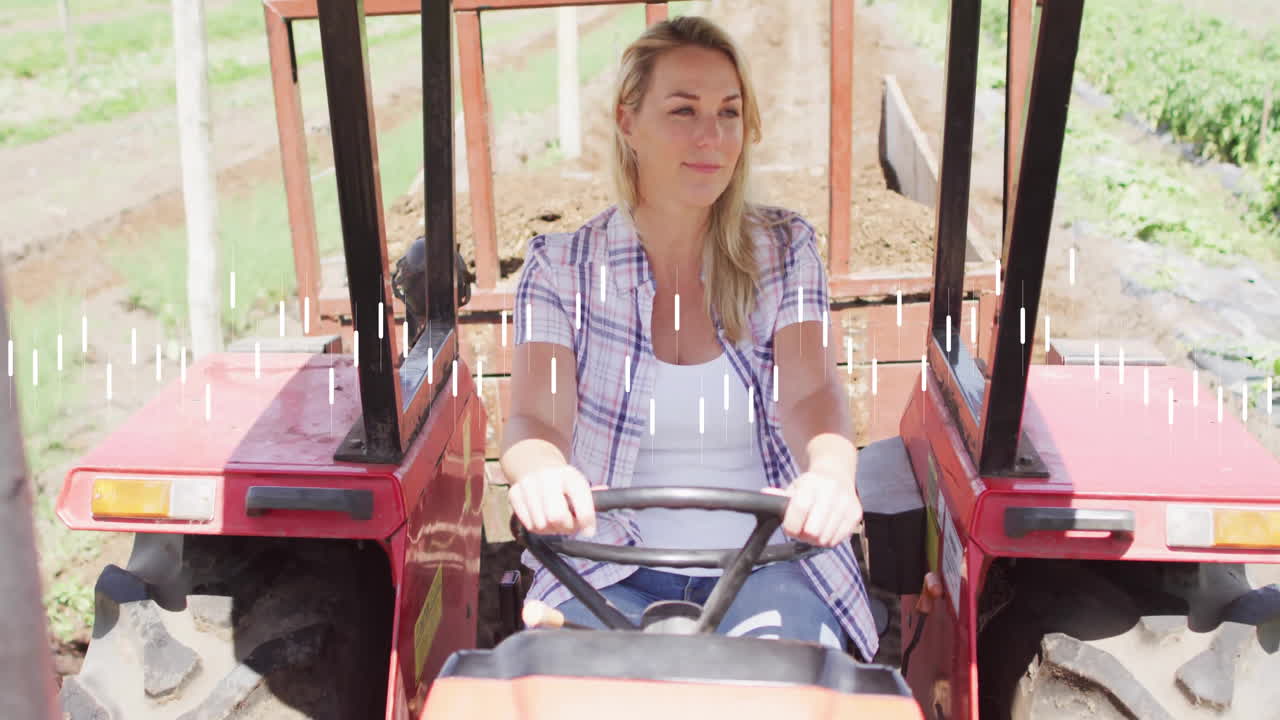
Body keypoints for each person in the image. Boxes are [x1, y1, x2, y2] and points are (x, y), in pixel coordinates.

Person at [499, 15, 878, 662]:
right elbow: (538, 416)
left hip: (772, 567)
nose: (712, 136)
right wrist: (539, 473)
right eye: (683, 111)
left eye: (729, 113)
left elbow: (811, 389)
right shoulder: (561, 269)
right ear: (627, 121)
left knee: (794, 690)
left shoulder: (785, 251)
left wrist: (833, 473)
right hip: (604, 570)